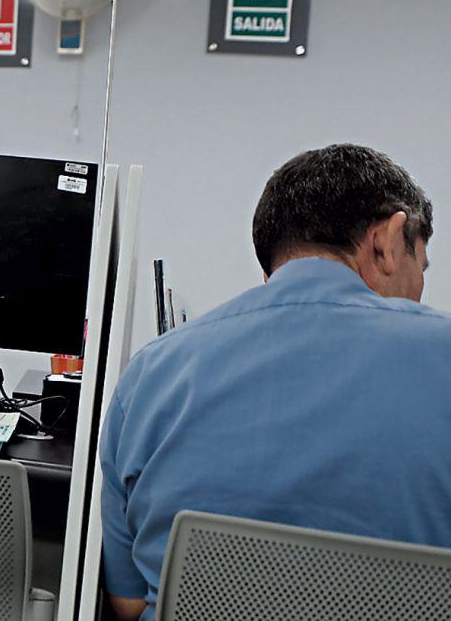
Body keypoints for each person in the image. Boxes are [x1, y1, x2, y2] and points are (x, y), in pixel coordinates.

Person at [99, 143, 451, 621]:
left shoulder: (149, 375)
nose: (419, 287)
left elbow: (128, 602)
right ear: (387, 240)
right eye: (421, 266)